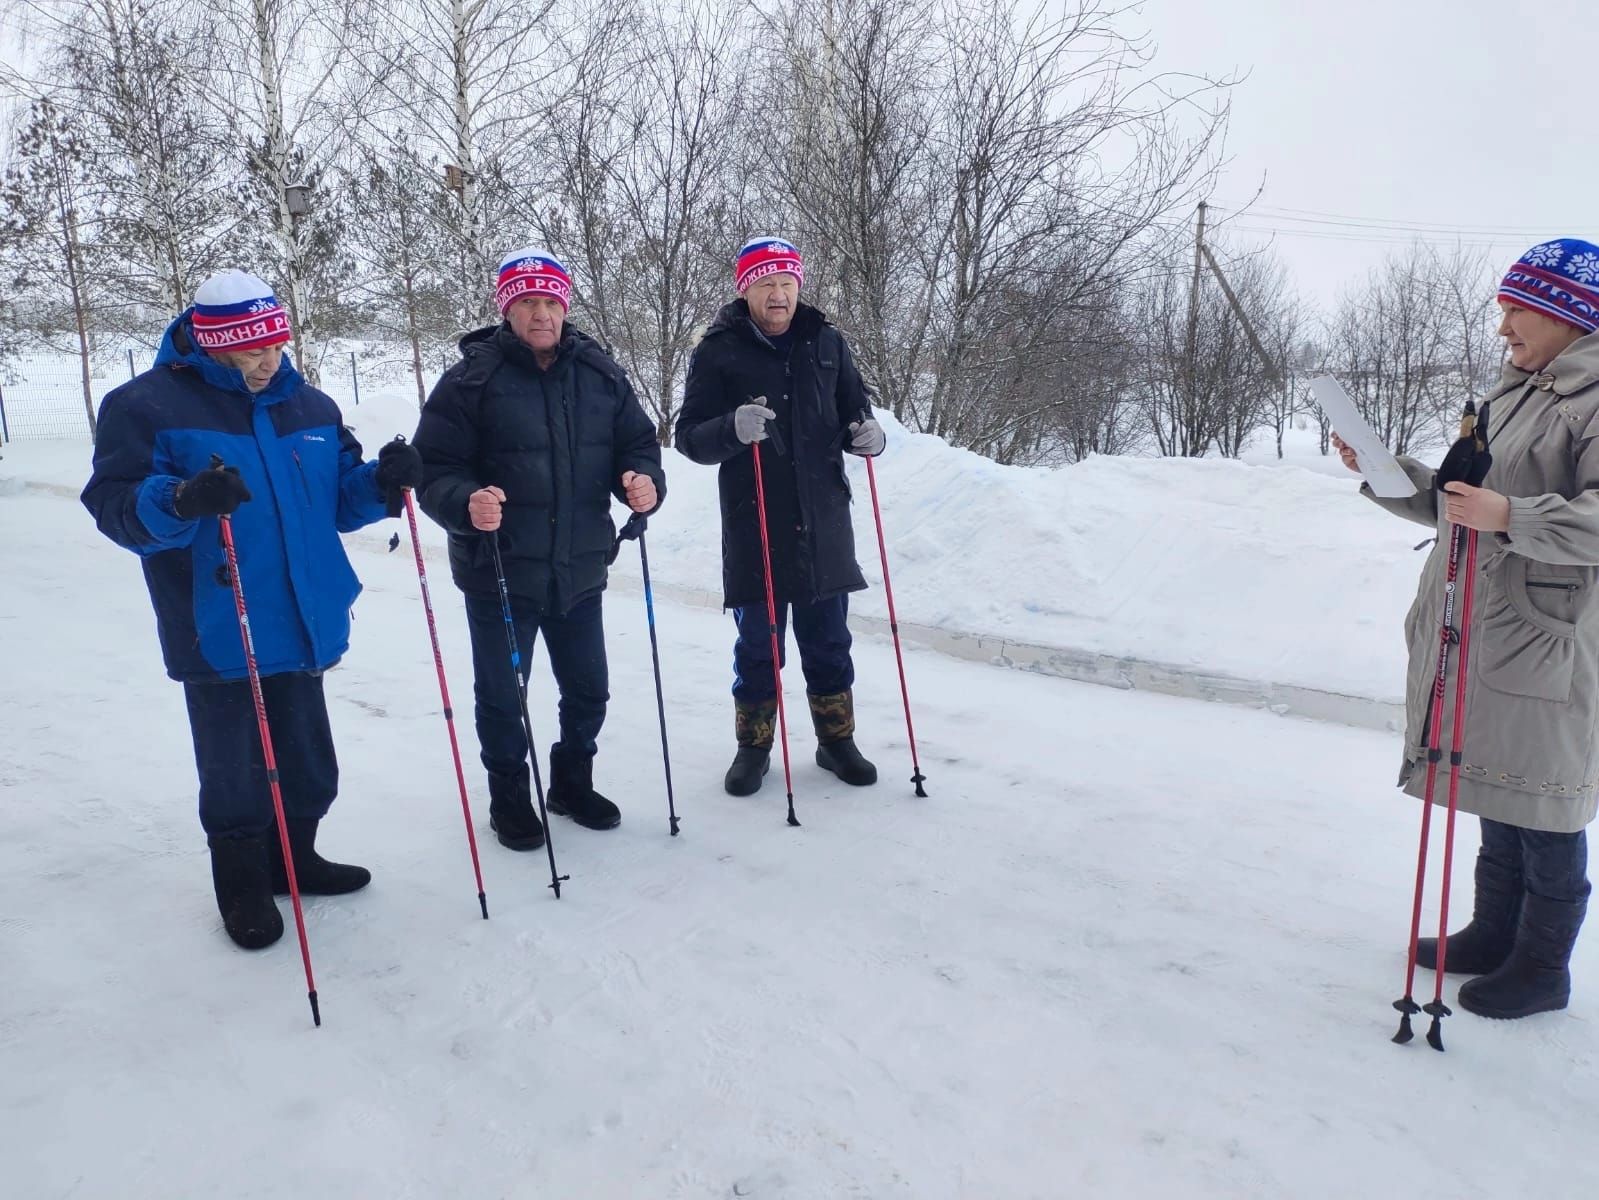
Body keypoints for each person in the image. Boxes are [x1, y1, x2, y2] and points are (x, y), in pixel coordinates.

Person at [81, 269, 421, 949]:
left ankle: (293, 861)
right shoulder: (145, 407)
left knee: (308, 764)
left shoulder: (313, 408)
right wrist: (180, 501)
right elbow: (115, 508)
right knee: (236, 772)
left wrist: (382, 485)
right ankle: (241, 882)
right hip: (218, 622)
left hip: (303, 617)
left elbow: (338, 502)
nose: (267, 362)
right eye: (249, 352)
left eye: (274, 346)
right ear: (212, 346)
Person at [1336, 237, 1599, 1019]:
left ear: (1567, 314)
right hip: (1480, 622)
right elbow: (1461, 498)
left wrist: (1511, 516)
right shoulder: (1515, 391)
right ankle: (1491, 935)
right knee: (1495, 780)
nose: (1502, 328)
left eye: (1516, 310)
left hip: (1550, 632)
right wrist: (1385, 474)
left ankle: (1541, 968)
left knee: (1544, 799)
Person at [412, 247, 665, 848]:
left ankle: (571, 782)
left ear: (565, 306)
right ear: (507, 309)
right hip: (498, 568)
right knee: (503, 696)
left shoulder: (600, 374)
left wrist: (641, 480)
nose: (541, 313)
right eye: (527, 301)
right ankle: (509, 797)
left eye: (551, 300)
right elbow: (432, 470)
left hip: (580, 567)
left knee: (589, 689)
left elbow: (638, 442)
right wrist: (465, 501)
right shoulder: (471, 380)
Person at [675, 237, 886, 796]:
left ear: (799, 286)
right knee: (758, 644)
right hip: (755, 519)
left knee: (829, 639)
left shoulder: (828, 342)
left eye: (786, 282)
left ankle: (836, 740)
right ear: (745, 289)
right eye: (765, 283)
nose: (778, 293)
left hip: (823, 519)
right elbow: (688, 437)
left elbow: (854, 410)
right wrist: (730, 429)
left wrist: (870, 436)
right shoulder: (718, 350)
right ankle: (753, 747)